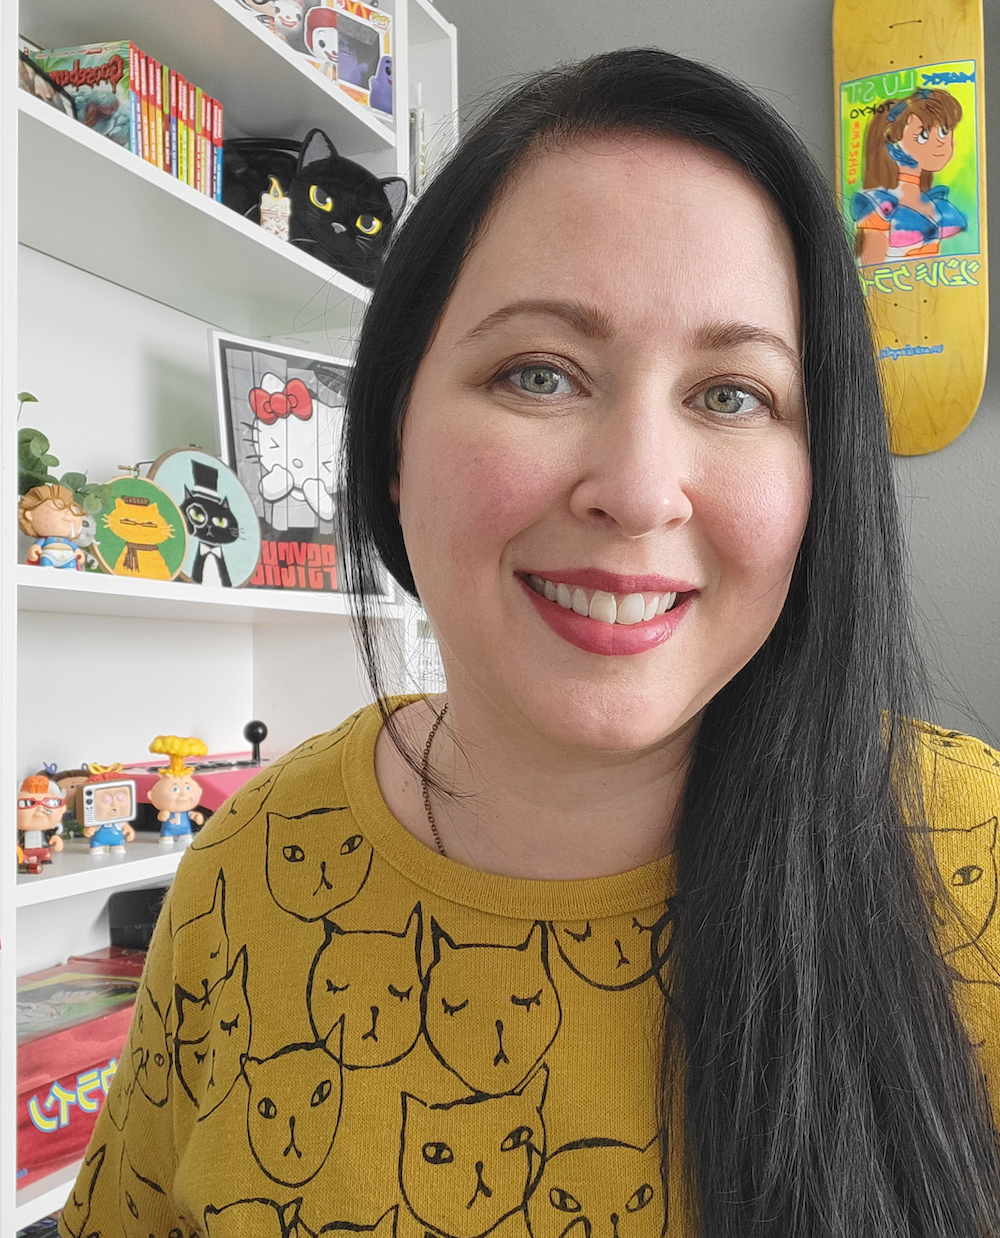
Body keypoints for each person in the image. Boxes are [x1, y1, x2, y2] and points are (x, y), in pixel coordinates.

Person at [60, 49, 1000, 1238]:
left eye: (731, 395)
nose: (639, 490)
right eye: (539, 373)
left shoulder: (972, 854)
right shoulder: (246, 871)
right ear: (393, 439)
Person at [852, 87, 967, 266]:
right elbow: (871, 271)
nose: (940, 143)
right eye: (923, 135)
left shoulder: (937, 204)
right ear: (893, 139)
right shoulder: (879, 203)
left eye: (944, 131)